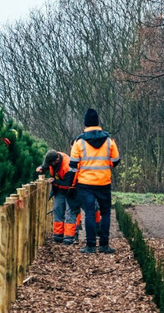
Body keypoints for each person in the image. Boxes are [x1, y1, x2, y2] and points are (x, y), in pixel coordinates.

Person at [69, 108, 120, 254]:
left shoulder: (79, 142)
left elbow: (73, 165)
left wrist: (71, 184)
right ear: (98, 122)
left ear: (85, 124)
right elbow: (116, 160)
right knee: (105, 213)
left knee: (89, 214)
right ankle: (104, 245)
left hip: (85, 184)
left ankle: (90, 246)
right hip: (104, 182)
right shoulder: (109, 140)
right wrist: (106, 166)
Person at [36, 149, 79, 244]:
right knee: (57, 208)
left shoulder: (68, 166)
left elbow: (67, 184)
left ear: (56, 160)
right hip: (59, 189)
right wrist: (42, 168)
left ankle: (69, 237)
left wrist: (54, 181)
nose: (50, 166)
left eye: (51, 164)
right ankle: (58, 235)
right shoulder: (54, 158)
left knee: (69, 212)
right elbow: (47, 166)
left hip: (71, 190)